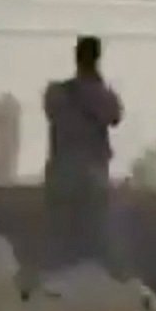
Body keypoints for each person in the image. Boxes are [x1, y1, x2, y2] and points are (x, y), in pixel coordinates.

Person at [43, 36, 123, 271]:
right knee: (93, 237)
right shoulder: (100, 95)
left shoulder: (57, 93)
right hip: (91, 175)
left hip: (63, 174)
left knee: (61, 238)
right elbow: (114, 115)